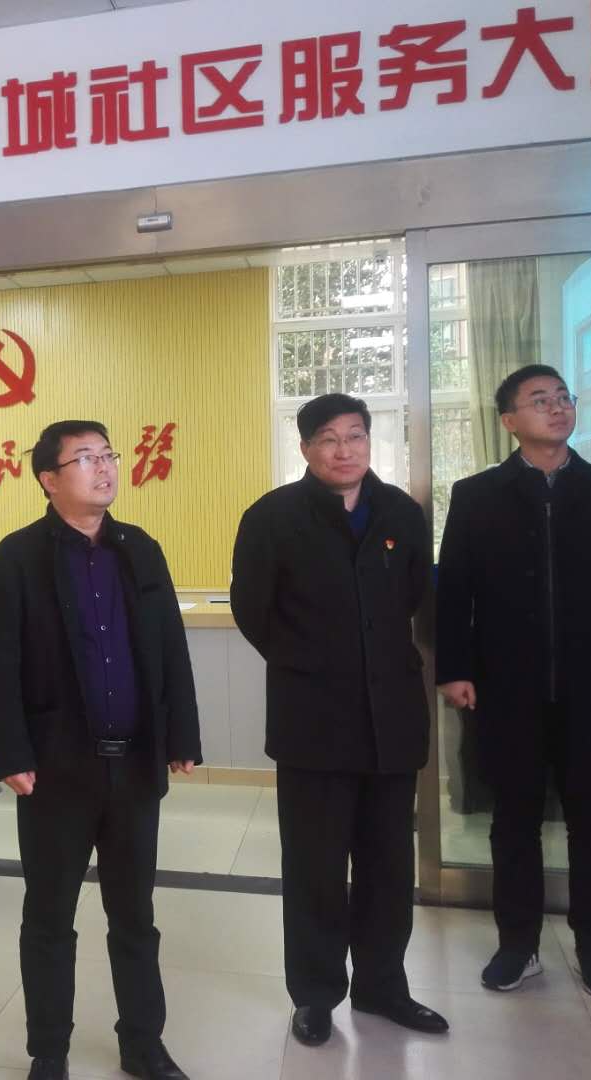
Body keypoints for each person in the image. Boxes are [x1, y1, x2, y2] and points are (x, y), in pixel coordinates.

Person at [0, 421, 202, 1080]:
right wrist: (12, 754)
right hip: (56, 769)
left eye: (107, 455)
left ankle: (143, 1043)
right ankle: (49, 1051)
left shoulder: (140, 549)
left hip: (133, 764)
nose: (103, 468)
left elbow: (170, 647)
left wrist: (182, 734)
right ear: (49, 479)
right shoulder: (17, 557)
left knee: (135, 916)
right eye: (84, 458)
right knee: (49, 917)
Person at [436, 364, 591, 999]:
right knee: (513, 821)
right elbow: (454, 591)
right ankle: (518, 945)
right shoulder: (477, 495)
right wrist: (454, 668)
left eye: (563, 397)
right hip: (507, 689)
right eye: (540, 400)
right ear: (510, 420)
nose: (558, 407)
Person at [230, 393, 448, 1048]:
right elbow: (252, 610)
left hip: (392, 719)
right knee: (315, 867)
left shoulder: (401, 513)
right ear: (304, 448)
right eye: (328, 438)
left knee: (388, 864)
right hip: (312, 720)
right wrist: (310, 663)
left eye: (356, 435)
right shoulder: (271, 517)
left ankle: (383, 986)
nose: (344, 449)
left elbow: (414, 596)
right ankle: (315, 994)